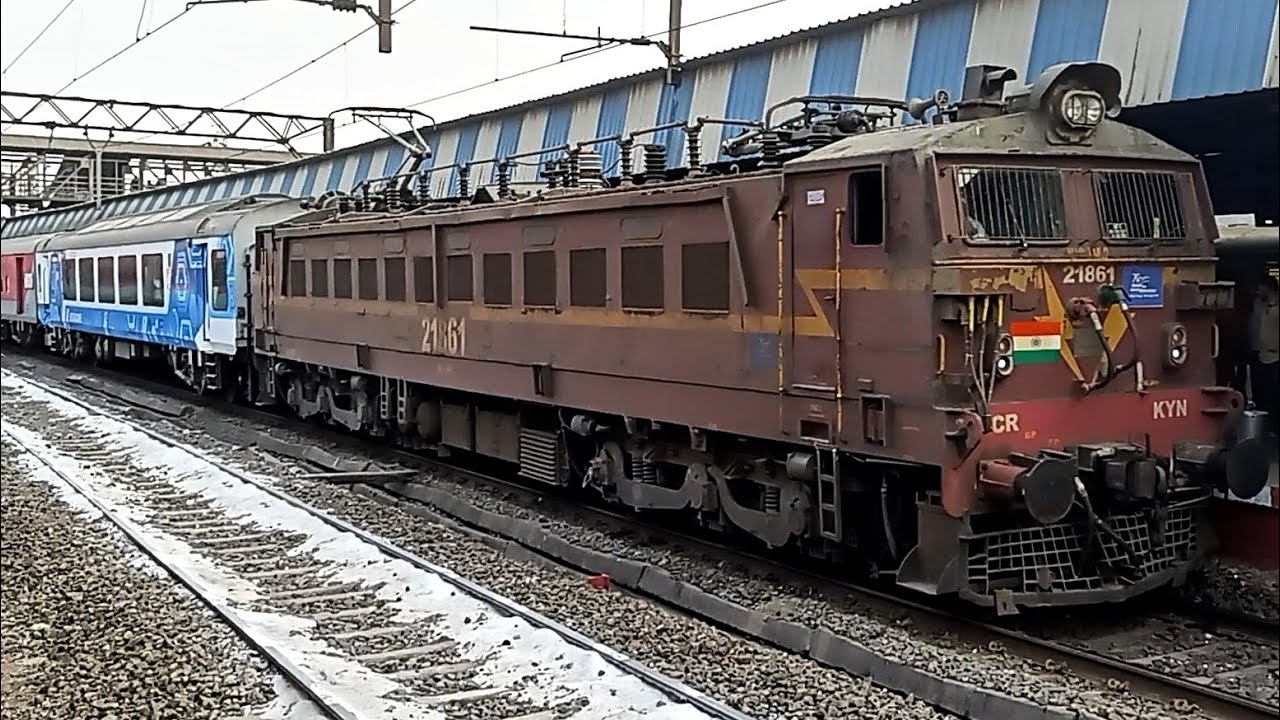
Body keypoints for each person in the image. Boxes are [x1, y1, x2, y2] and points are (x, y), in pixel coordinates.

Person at [1248, 274, 1279, 434]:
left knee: (1275, 396)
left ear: (1269, 288)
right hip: (1260, 356)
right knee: (1261, 395)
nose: (1258, 291)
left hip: (1276, 357)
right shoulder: (1258, 305)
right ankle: (1263, 429)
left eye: (1260, 288)